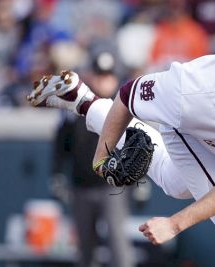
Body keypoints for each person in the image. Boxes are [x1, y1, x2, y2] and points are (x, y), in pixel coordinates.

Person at [28, 17, 215, 267]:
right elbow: (128, 96)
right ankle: (84, 102)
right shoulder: (189, 88)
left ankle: (80, 98)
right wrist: (100, 156)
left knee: (175, 185)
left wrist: (175, 222)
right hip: (187, 130)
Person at [51, 53, 134, 267]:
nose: (104, 80)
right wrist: (58, 173)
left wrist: (141, 182)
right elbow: (62, 143)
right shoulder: (77, 106)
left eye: (108, 76)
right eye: (99, 75)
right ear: (91, 76)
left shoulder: (124, 107)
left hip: (113, 187)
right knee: (85, 247)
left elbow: (137, 146)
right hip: (81, 185)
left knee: (118, 243)